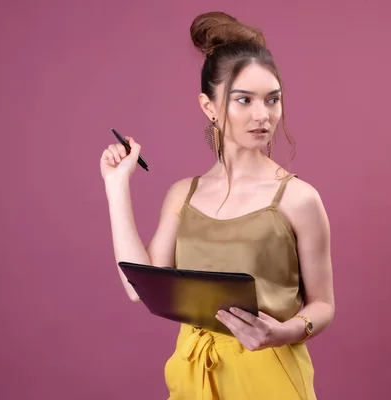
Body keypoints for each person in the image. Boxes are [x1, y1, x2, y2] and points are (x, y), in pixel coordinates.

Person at [100, 11, 335, 400]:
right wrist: (116, 186)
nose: (263, 115)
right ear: (209, 107)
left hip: (269, 374)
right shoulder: (183, 195)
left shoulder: (299, 198)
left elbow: (323, 304)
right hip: (194, 371)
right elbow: (138, 287)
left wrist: (283, 332)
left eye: (272, 100)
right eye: (244, 100)